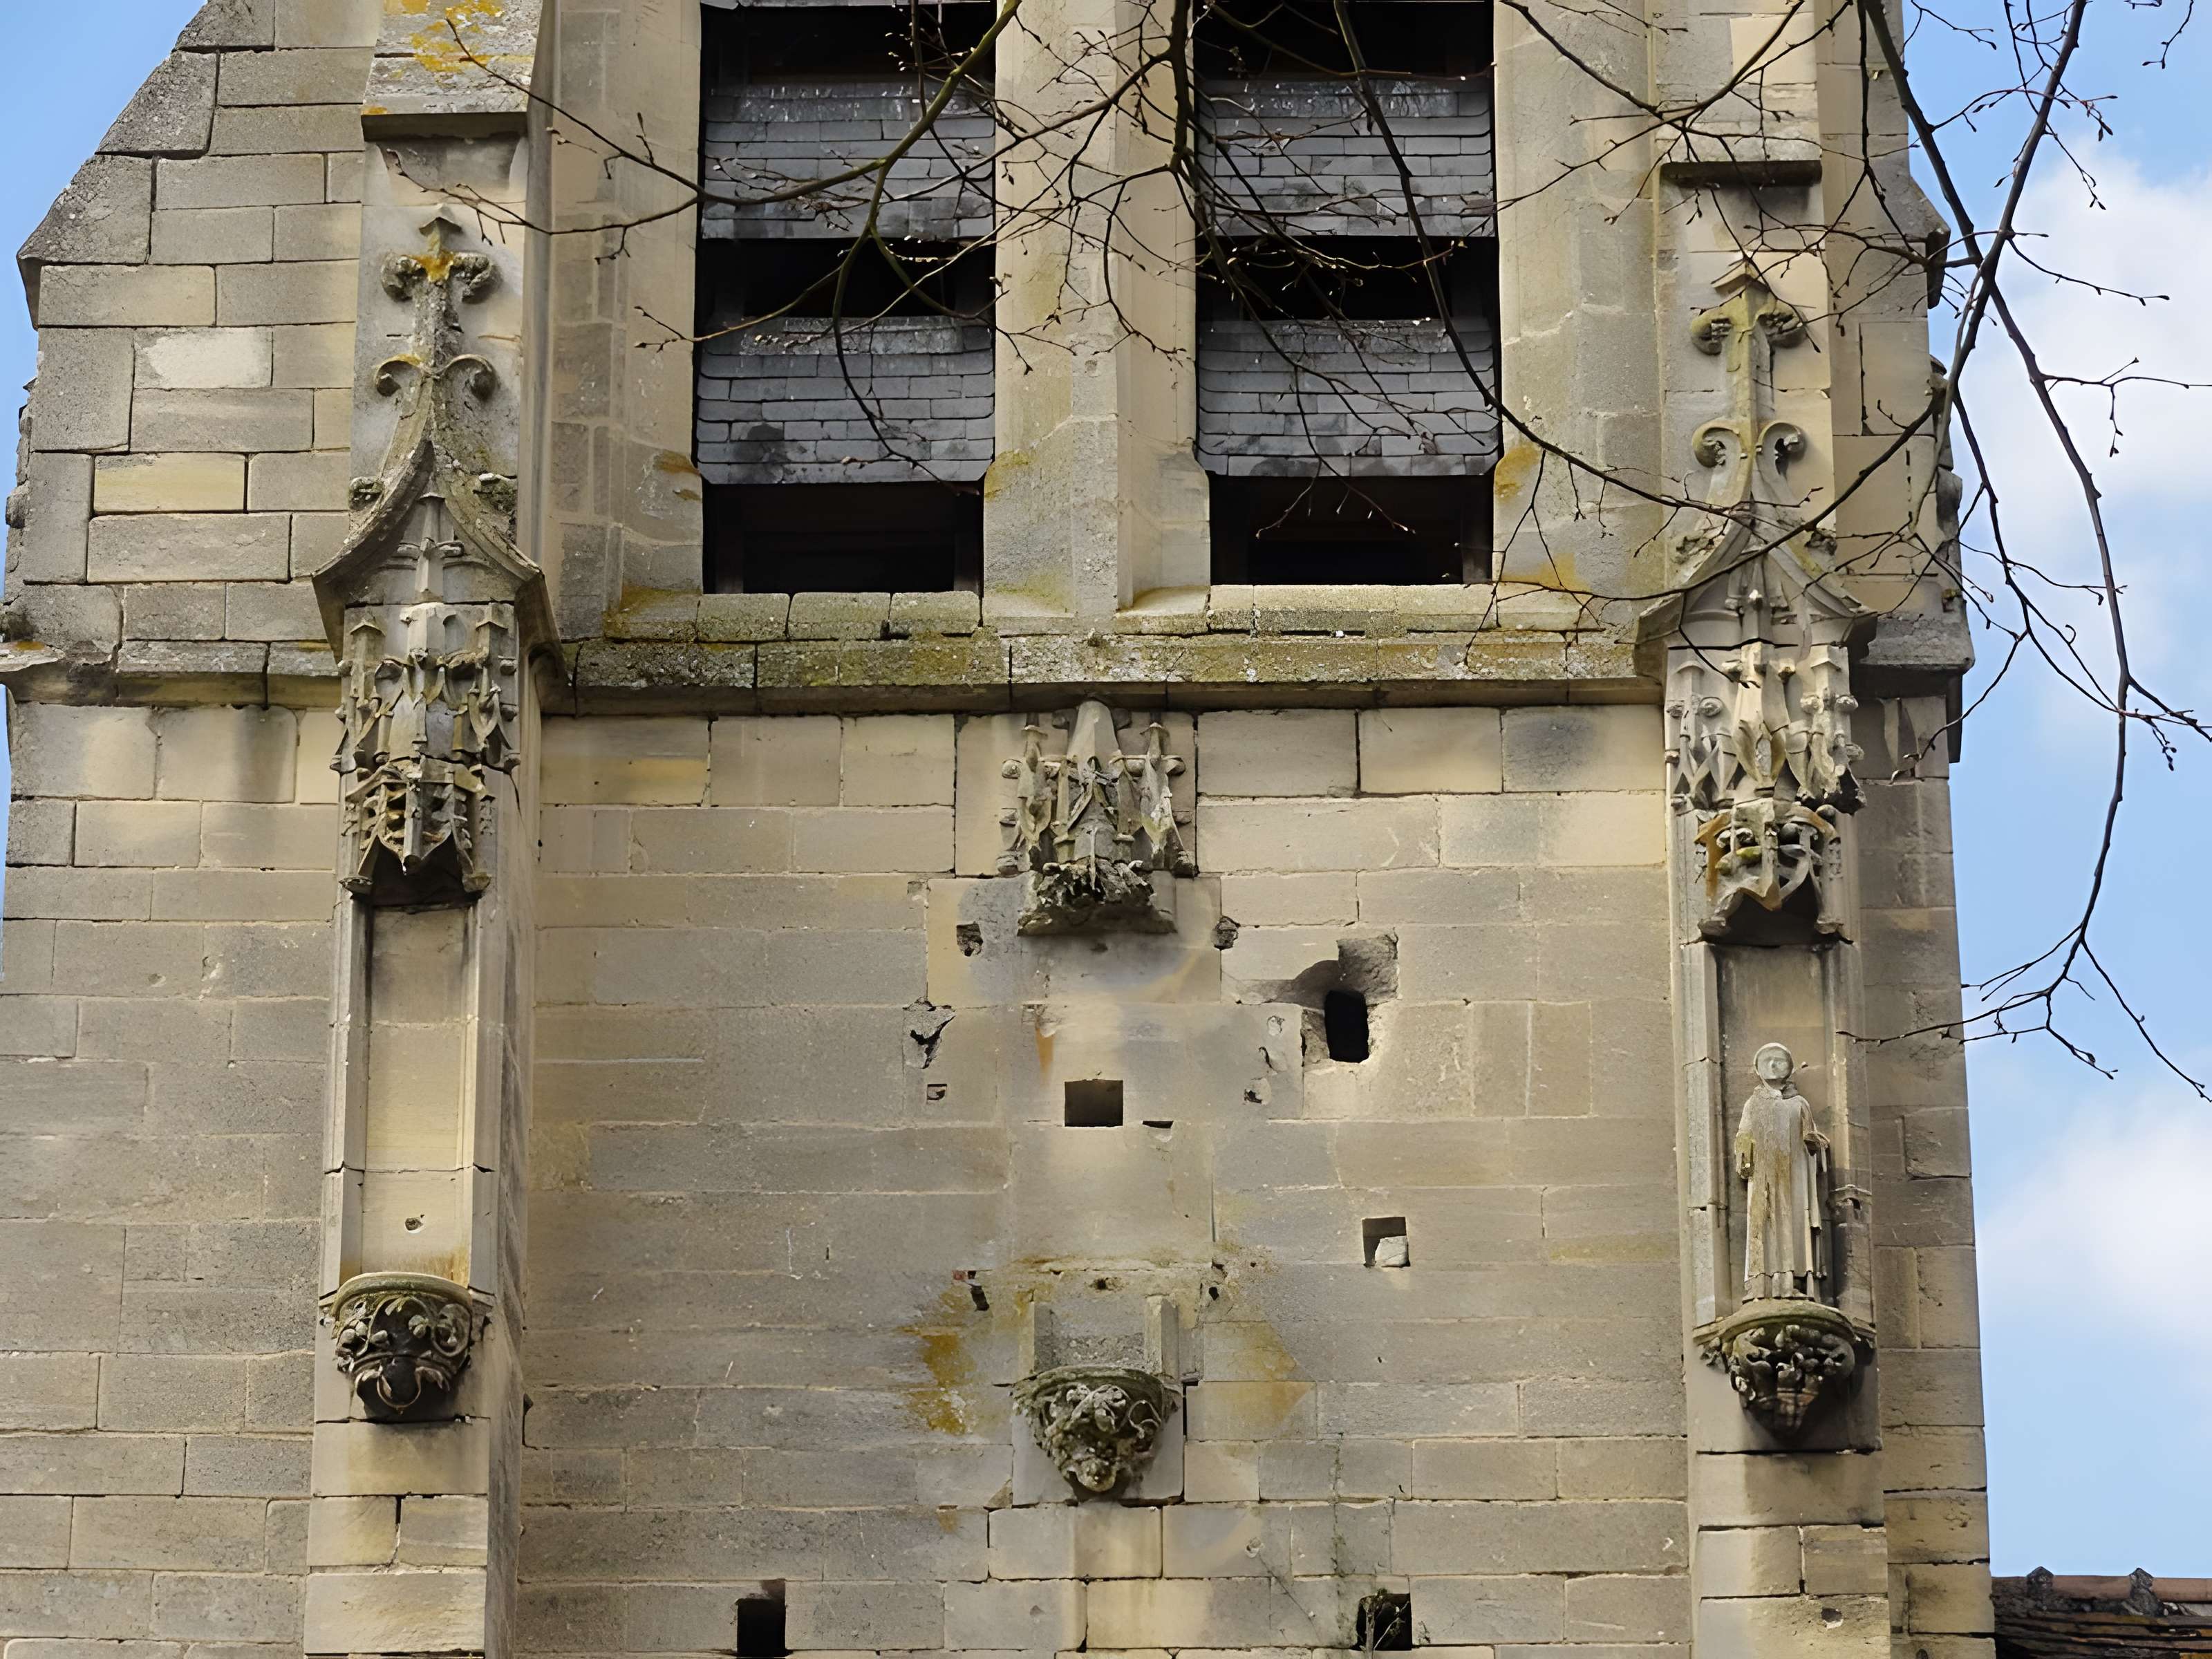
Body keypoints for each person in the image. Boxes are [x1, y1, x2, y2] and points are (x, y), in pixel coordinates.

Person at [1734, 1042, 1830, 1301]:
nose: (1774, 1065)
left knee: (1795, 1223)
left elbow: (1811, 1140)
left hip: (1795, 1177)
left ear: (1790, 1067)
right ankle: (1762, 1284)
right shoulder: (1754, 1104)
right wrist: (1744, 1151)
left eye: (1779, 1060)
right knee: (1765, 1223)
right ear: (1757, 1069)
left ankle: (1792, 1282)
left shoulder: (1799, 1104)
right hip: (1764, 1177)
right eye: (1767, 1061)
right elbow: (1744, 1135)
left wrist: (1816, 1145)